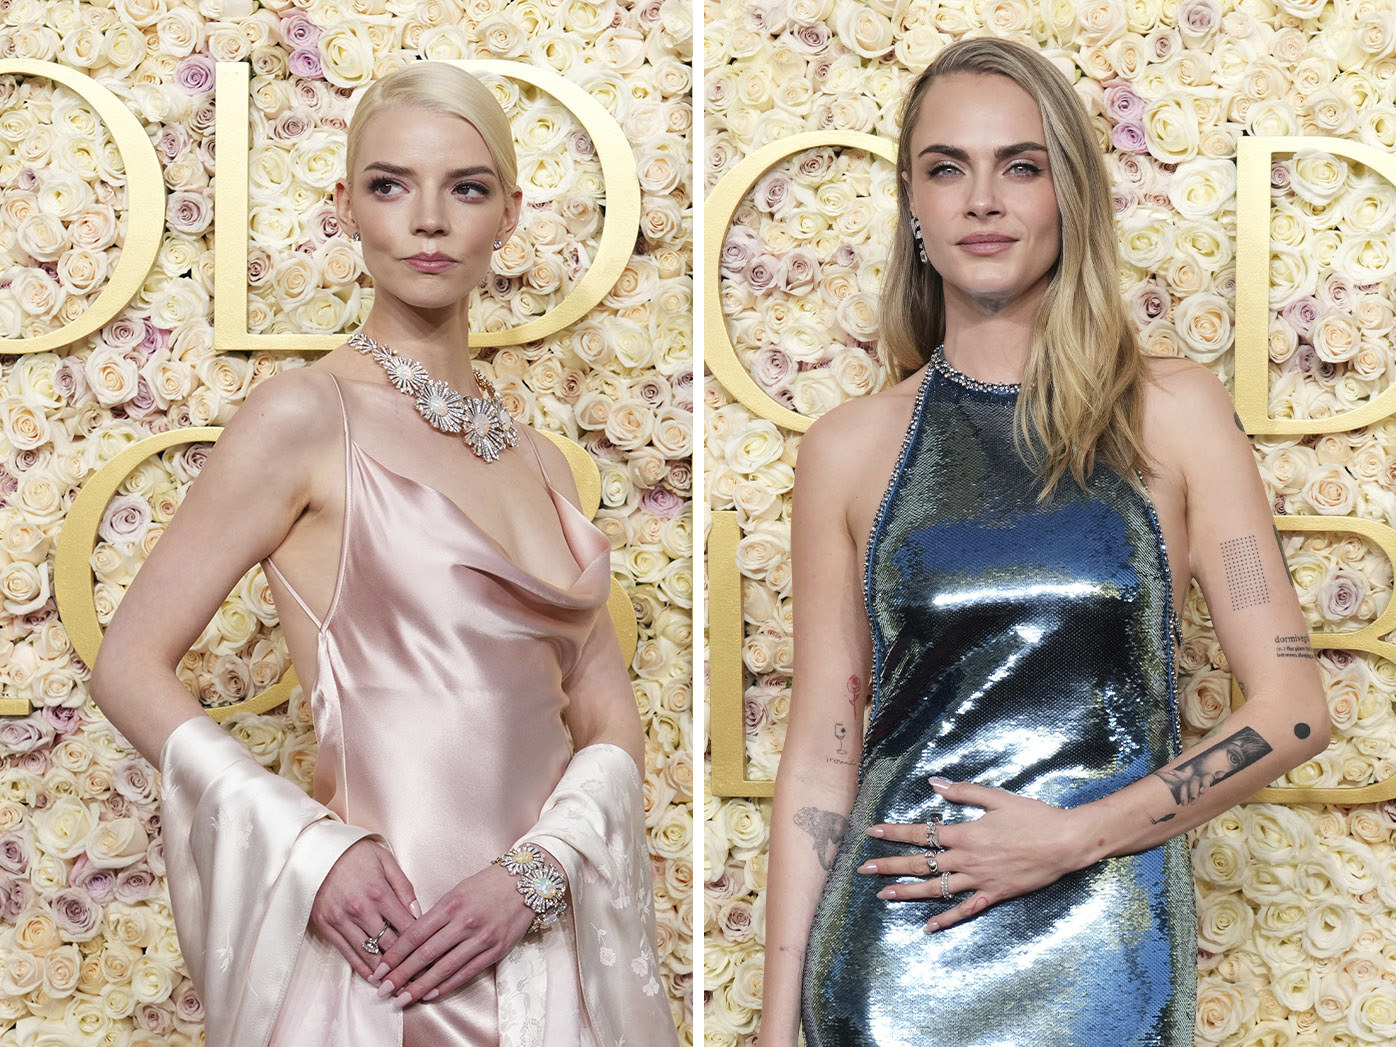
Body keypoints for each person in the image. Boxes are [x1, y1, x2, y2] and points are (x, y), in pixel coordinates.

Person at [91, 63, 678, 1047]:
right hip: (388, 960)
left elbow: (608, 720)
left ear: (509, 215)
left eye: (468, 187)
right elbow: (127, 666)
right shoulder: (304, 419)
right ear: (346, 209)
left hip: (536, 952)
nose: (430, 220)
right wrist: (306, 852)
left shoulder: (540, 464)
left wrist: (532, 880)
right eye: (390, 185)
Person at [757, 37, 1329, 1047]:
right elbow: (819, 755)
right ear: (912, 205)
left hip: (1104, 957)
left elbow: (1290, 715)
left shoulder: (1177, 416)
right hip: (890, 960)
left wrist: (1071, 838)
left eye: (1019, 165)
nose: (982, 199)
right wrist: (774, 1020)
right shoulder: (848, 450)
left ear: (1069, 195)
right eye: (947, 168)